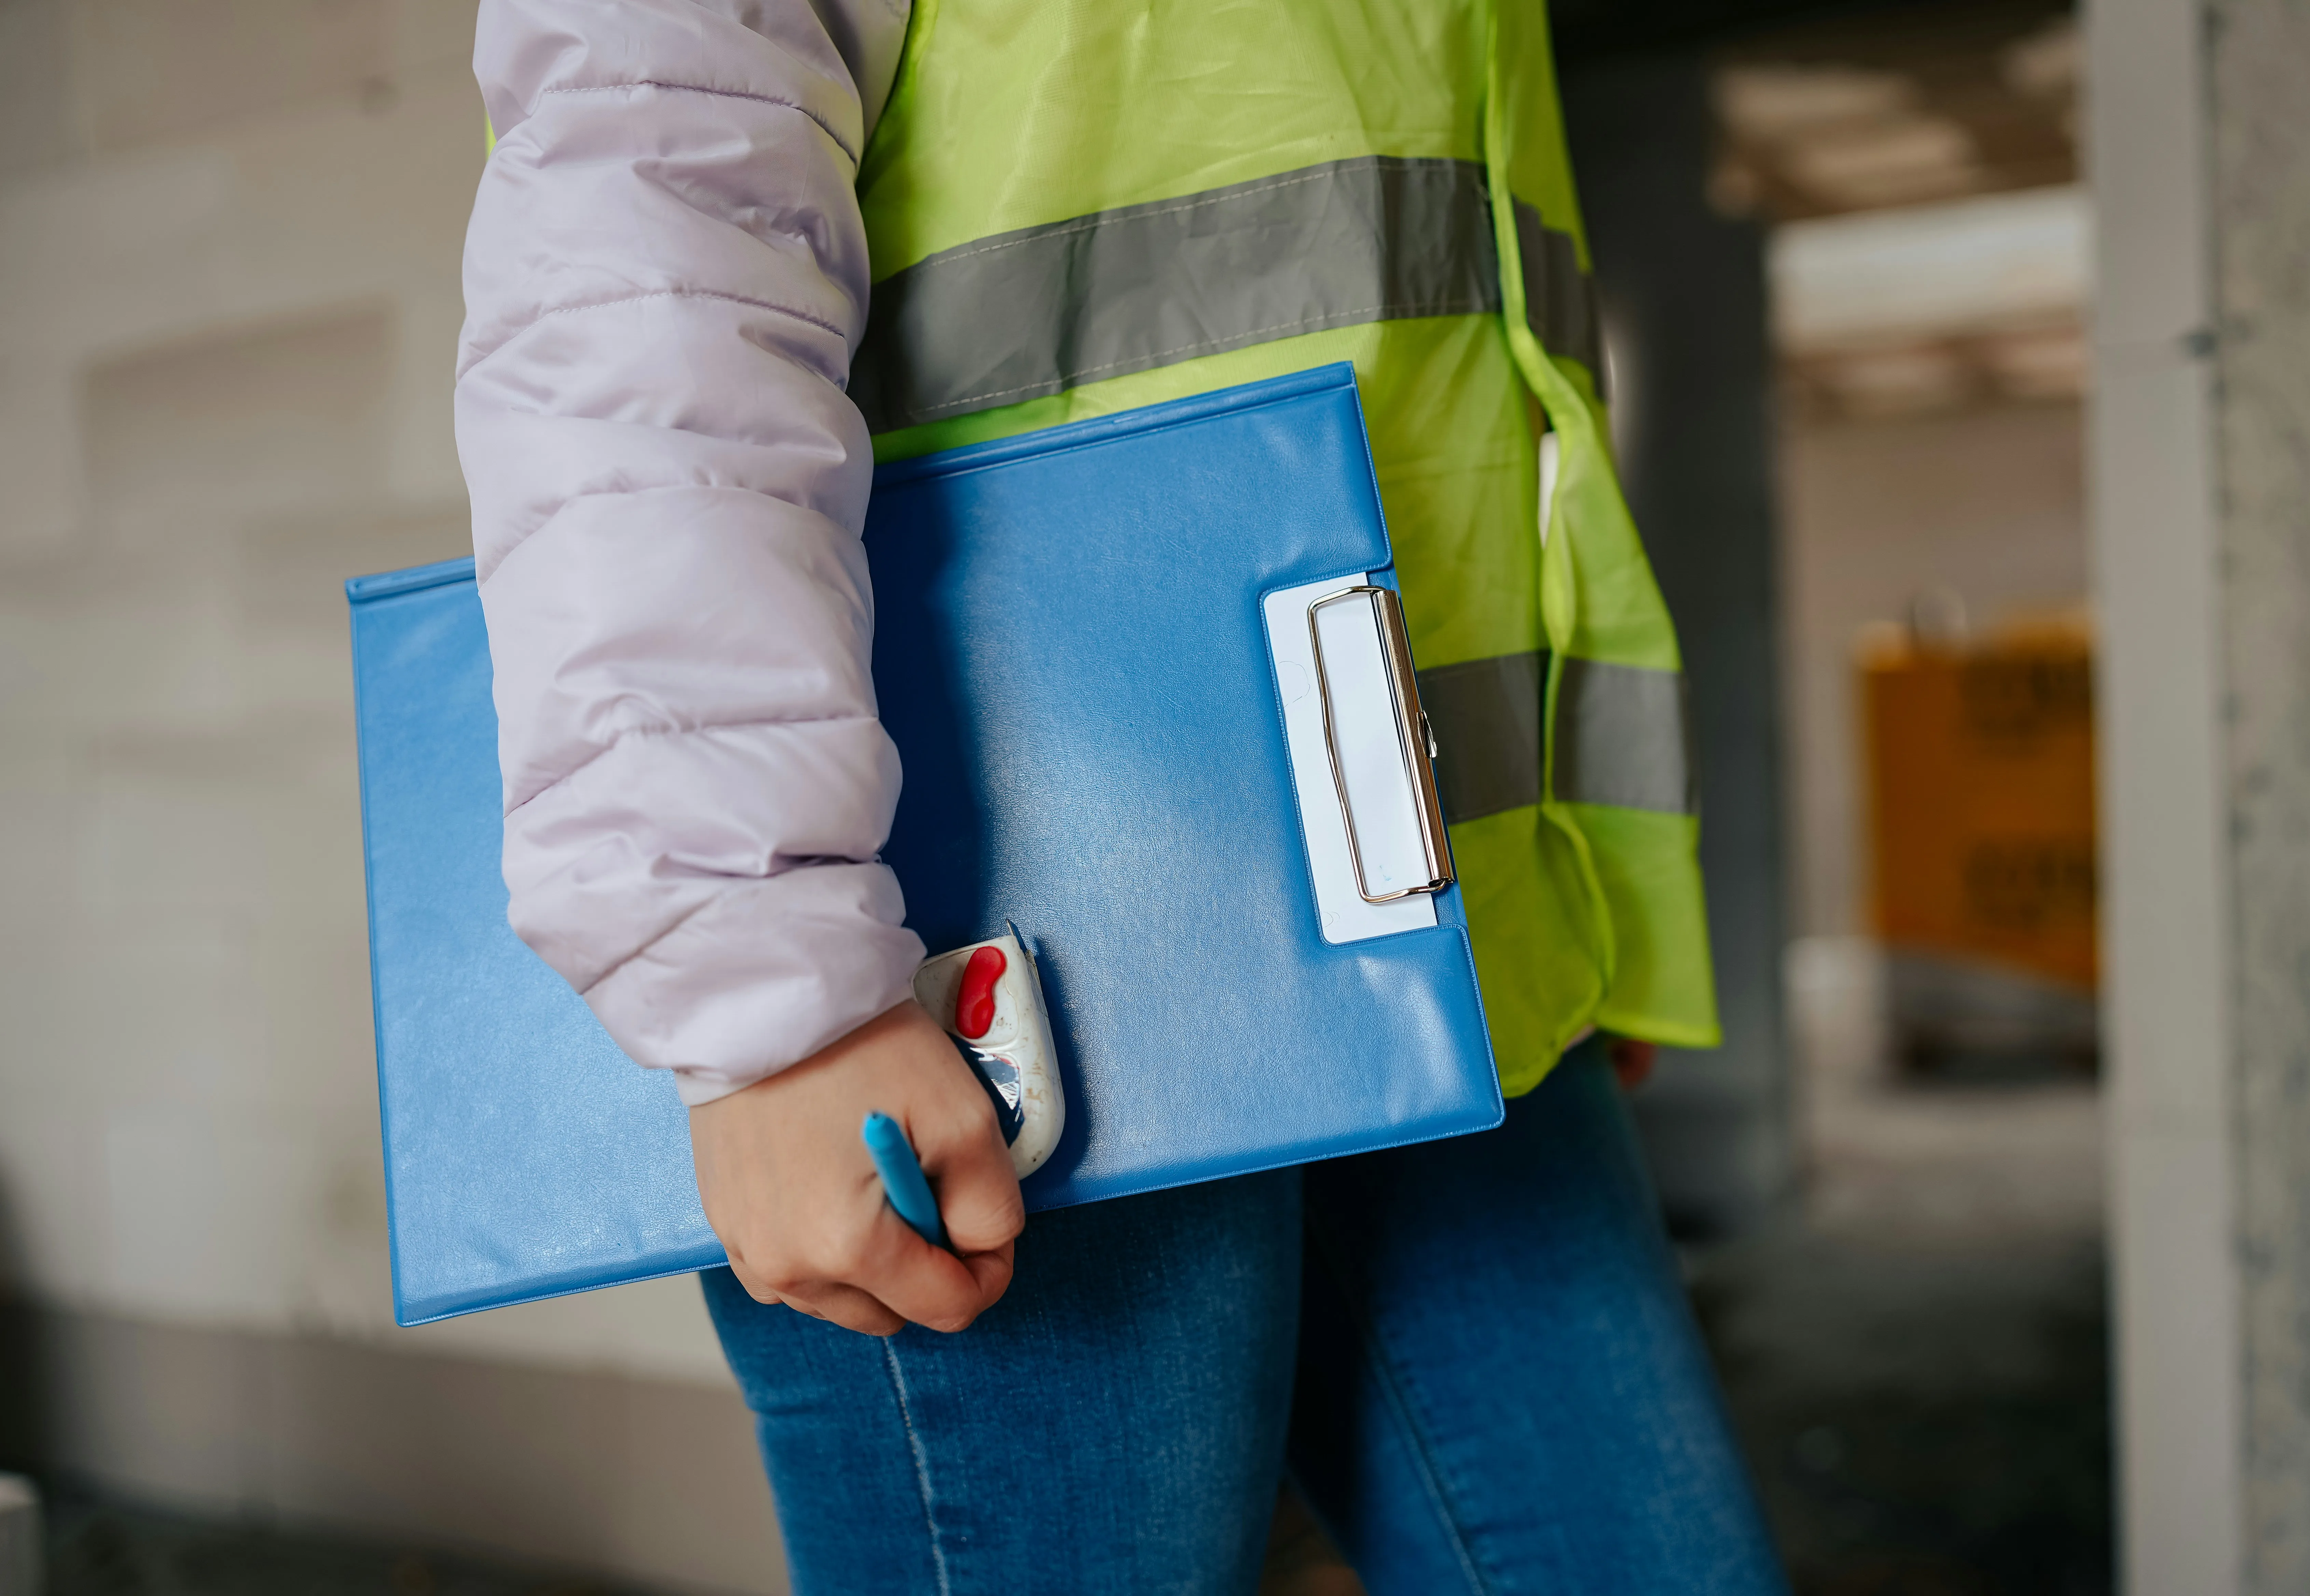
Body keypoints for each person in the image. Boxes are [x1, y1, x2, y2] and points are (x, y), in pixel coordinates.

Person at [457, 0, 1788, 1590]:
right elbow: (640, 278)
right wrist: (766, 983)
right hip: (1006, 978)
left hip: (1456, 947)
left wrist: (1579, 901)